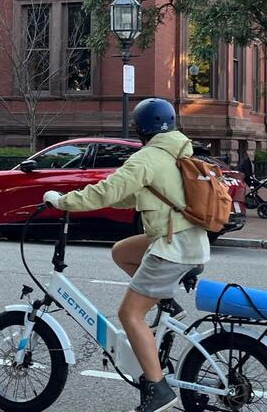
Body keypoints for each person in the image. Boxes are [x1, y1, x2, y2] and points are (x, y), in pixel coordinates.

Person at [42, 98, 208, 412]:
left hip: (173, 248)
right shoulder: (178, 151)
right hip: (187, 241)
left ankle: (158, 389)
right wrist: (92, 197)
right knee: (122, 251)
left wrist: (63, 201)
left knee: (130, 314)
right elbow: (126, 194)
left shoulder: (149, 157)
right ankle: (163, 298)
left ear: (141, 128)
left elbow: (109, 190)